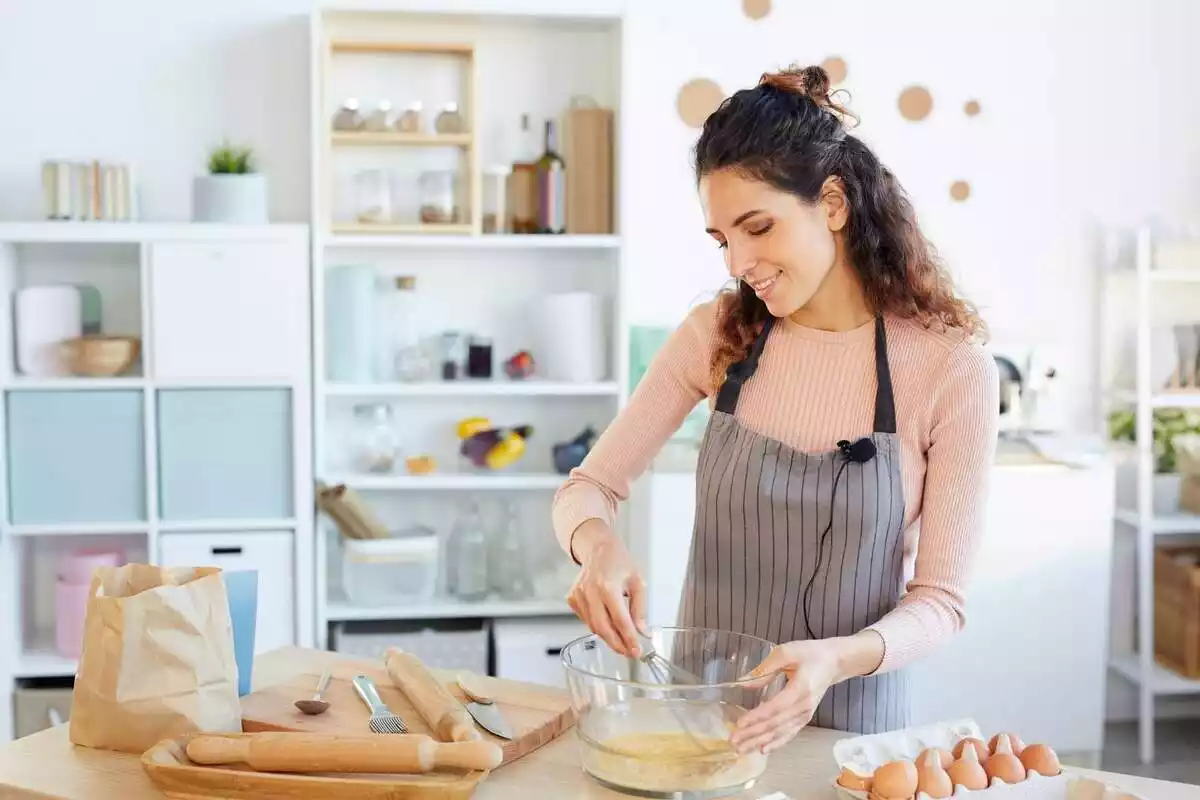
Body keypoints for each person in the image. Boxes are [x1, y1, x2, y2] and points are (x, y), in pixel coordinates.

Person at [550, 63, 999, 754]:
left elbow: (940, 603)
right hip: (704, 726)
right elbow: (588, 488)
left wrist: (834, 658)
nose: (738, 262)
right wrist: (596, 546)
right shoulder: (715, 337)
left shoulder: (950, 369)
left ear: (833, 204)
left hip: (850, 735)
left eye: (757, 227)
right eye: (723, 239)